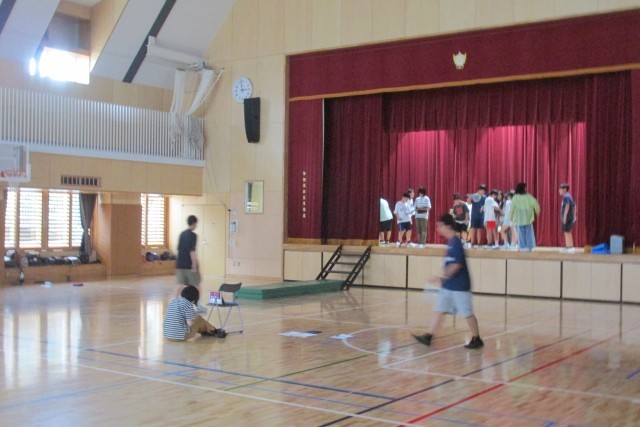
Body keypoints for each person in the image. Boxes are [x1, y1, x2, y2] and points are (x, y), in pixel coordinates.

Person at [413, 214, 484, 349]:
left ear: (447, 226)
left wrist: (441, 277)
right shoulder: (450, 243)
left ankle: (477, 338)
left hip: (459, 286)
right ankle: (428, 336)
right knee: (440, 309)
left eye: (440, 226)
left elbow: (456, 265)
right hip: (448, 286)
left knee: (467, 313)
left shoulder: (456, 243)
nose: (438, 229)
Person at [510, 182, 540, 252]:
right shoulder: (529, 197)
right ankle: (529, 247)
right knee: (529, 233)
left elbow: (512, 208)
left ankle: (522, 247)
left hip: (519, 218)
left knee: (520, 233)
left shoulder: (515, 197)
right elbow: (536, 205)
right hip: (528, 218)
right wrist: (537, 213)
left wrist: (511, 217)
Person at [176, 215, 201, 288]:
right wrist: (194, 264)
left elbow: (178, 249)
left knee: (180, 284)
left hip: (180, 264)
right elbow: (192, 251)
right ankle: (196, 296)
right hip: (189, 265)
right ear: (194, 223)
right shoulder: (193, 235)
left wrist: (178, 263)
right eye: (196, 224)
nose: (196, 225)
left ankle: (175, 296)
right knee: (196, 284)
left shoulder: (182, 234)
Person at [559, 183, 577, 253]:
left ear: (565, 189)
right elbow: (574, 205)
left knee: (567, 232)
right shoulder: (569, 196)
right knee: (567, 232)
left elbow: (567, 206)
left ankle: (570, 247)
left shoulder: (566, 197)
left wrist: (564, 217)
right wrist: (574, 215)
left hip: (567, 218)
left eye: (560, 189)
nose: (559, 191)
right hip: (570, 217)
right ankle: (568, 246)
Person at [468, 184, 487, 248]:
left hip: (481, 216)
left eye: (484, 190)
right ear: (479, 190)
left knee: (479, 229)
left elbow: (485, 205)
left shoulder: (484, 197)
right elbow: (469, 202)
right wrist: (470, 198)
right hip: (474, 215)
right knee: (473, 229)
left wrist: (483, 207)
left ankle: (479, 243)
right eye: (482, 190)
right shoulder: (474, 196)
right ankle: (472, 242)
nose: (483, 191)